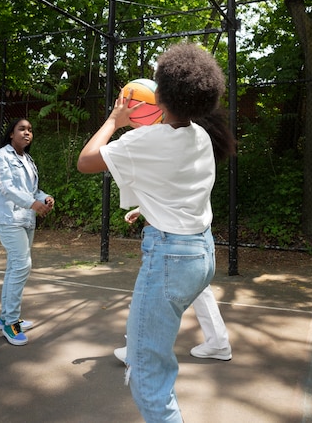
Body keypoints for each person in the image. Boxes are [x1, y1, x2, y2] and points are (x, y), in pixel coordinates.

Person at [78, 42, 235, 423]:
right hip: (201, 253)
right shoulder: (201, 135)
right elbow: (178, 188)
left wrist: (115, 121)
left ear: (160, 95)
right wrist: (146, 208)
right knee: (152, 353)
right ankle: (192, 343)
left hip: (171, 258)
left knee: (147, 372)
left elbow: (85, 162)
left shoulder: (144, 140)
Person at [113, 208, 231, 363]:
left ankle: (137, 349)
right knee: (199, 286)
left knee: (151, 286)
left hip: (175, 235)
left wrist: (143, 205)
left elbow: (169, 188)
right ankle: (218, 342)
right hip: (199, 234)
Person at [0, 118, 54, 346]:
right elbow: (6, 187)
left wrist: (43, 198)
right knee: (22, 265)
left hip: (26, 219)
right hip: (7, 219)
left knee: (14, 267)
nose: (27, 133)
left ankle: (5, 317)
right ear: (11, 134)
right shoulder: (0, 156)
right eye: (22, 129)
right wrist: (32, 202)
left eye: (30, 130)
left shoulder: (28, 160)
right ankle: (11, 322)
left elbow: (32, 190)